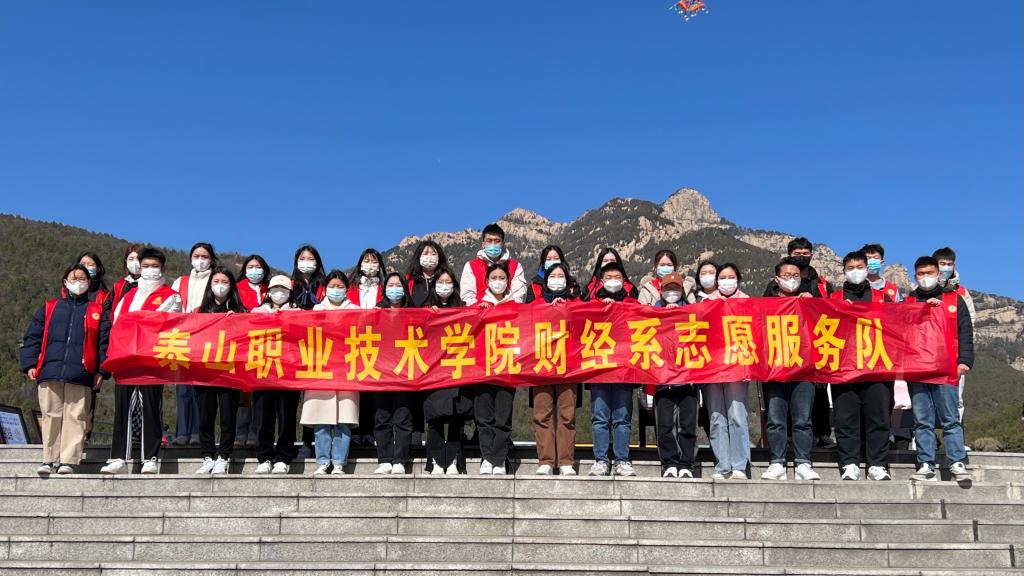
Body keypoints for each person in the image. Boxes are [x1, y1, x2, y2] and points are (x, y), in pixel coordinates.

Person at [20, 264, 110, 475]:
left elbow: (104, 343)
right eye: (73, 278)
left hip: (82, 372)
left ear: (89, 283)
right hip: (50, 370)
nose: (78, 282)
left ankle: (68, 461)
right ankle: (49, 459)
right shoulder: (50, 307)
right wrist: (30, 364)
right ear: (65, 282)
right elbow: (32, 336)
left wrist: (102, 371)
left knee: (75, 417)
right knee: (51, 415)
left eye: (82, 279)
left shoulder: (97, 311)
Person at [100, 247, 182, 475]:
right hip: (125, 359)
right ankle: (119, 457)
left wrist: (139, 325)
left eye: (154, 266)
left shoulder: (171, 296)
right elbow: (117, 323)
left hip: (151, 360)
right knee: (123, 409)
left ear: (162, 269)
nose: (149, 270)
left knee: (150, 408)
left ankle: (150, 458)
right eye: (145, 266)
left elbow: (167, 323)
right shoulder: (128, 296)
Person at [906, 256, 974, 482]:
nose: (925, 277)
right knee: (922, 419)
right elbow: (899, 331)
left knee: (950, 418)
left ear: (938, 274)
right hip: (917, 369)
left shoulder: (954, 299)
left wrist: (965, 361)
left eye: (929, 273)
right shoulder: (909, 301)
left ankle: (957, 461)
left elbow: (965, 331)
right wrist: (920, 309)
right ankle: (926, 463)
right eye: (921, 274)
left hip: (946, 367)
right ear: (915, 276)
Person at [830, 252, 895, 481]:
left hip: (877, 365)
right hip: (844, 367)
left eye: (859, 266)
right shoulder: (834, 298)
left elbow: (897, 328)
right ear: (844, 271)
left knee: (878, 417)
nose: (855, 271)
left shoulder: (883, 298)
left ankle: (877, 463)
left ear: (867, 269)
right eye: (850, 268)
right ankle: (850, 462)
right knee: (845, 418)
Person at [764, 237, 834, 450]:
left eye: (806, 253)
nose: (802, 257)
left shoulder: (820, 284)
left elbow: (831, 314)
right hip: (780, 354)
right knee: (779, 406)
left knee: (816, 398)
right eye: (797, 253)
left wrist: (813, 302)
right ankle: (783, 444)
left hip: (811, 353)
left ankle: (821, 435)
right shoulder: (772, 288)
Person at [760, 257, 821, 481]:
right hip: (775, 369)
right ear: (777, 279)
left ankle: (803, 462)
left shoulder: (809, 301)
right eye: (787, 275)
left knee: (803, 419)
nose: (792, 279)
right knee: (775, 419)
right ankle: (777, 462)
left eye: (796, 275)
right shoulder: (765, 305)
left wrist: (814, 304)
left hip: (804, 369)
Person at [524, 260, 583, 475]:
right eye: (552, 277)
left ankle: (566, 461)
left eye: (561, 277)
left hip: (569, 367)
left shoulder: (576, 304)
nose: (557, 280)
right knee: (542, 414)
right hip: (542, 365)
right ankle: (546, 460)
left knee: (567, 414)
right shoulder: (536, 305)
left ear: (567, 282)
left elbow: (584, 329)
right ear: (546, 282)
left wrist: (566, 309)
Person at [299, 270, 359, 475]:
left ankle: (339, 462)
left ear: (347, 289)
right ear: (325, 289)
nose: (336, 290)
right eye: (332, 286)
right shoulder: (316, 310)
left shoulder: (356, 311)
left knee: (344, 421)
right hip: (321, 370)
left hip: (347, 370)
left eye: (340, 286)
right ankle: (323, 461)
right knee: (321, 420)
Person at [587, 261, 639, 477]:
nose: (613, 281)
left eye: (617, 277)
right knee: (600, 417)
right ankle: (601, 460)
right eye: (608, 278)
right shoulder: (591, 304)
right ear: (601, 281)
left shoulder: (632, 303)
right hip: (599, 369)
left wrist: (619, 308)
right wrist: (601, 308)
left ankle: (622, 460)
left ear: (624, 281)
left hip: (624, 370)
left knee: (622, 417)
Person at [193, 267, 247, 475]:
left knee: (227, 417)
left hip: (229, 372)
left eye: (225, 282)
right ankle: (207, 456)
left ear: (231, 286)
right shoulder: (199, 312)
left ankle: (224, 456)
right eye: (216, 281)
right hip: (204, 372)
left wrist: (238, 320)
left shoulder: (240, 310)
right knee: (205, 416)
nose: (220, 286)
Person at [702, 263, 752, 480]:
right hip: (712, 369)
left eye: (731, 277)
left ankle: (740, 465)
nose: (726, 281)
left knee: (738, 415)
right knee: (716, 417)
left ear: (738, 279)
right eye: (722, 277)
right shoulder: (706, 303)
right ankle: (722, 465)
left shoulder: (747, 302)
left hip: (737, 367)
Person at [423, 266, 473, 475]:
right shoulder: (424, 308)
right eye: (440, 282)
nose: (444, 286)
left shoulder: (463, 308)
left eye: (448, 282)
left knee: (456, 417)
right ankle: (435, 461)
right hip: (433, 371)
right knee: (434, 418)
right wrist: (428, 316)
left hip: (457, 369)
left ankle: (453, 460)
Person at [650, 272, 700, 479]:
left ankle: (687, 463)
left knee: (688, 423)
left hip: (688, 377)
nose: (672, 292)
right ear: (661, 291)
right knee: (665, 424)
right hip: (662, 379)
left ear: (682, 291)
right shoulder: (651, 313)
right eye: (668, 289)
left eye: (676, 288)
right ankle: (669, 462)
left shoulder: (693, 312)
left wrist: (681, 314)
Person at [250, 275, 300, 474]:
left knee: (287, 417)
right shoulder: (256, 312)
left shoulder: (298, 314)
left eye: (284, 289)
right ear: (269, 292)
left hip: (289, 373)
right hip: (263, 371)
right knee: (264, 417)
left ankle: (283, 457)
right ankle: (264, 457)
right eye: (275, 289)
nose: (279, 293)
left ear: (290, 292)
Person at [170, 242, 219, 447]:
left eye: (204, 256)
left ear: (211, 259)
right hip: (182, 339)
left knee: (201, 389)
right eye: (196, 256)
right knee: (182, 389)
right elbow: (170, 308)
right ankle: (182, 432)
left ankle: (199, 432)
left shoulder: (216, 280)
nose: (200, 260)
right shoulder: (180, 282)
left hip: (206, 340)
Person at [474, 262, 521, 475]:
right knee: (484, 416)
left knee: (503, 416)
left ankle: (499, 458)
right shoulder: (477, 305)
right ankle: (486, 457)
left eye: (502, 278)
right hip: (482, 369)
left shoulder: (516, 306)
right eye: (494, 278)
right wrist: (479, 313)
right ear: (486, 282)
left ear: (508, 282)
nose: (498, 282)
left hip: (507, 368)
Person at [373, 273, 416, 474]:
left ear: (405, 289)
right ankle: (384, 459)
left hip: (405, 371)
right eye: (390, 285)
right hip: (381, 372)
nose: (394, 288)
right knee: (382, 417)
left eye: (398, 285)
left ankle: (400, 459)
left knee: (403, 417)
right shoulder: (376, 312)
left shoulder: (414, 313)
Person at [346, 248, 388, 446]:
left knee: (373, 388)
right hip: (354, 341)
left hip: (378, 343)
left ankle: (371, 431)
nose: (370, 264)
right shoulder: (351, 287)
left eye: (374, 261)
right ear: (360, 264)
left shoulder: (385, 287)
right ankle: (355, 430)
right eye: (366, 260)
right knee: (356, 389)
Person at [933, 247, 976, 423]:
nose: (946, 267)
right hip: (929, 353)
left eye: (949, 264)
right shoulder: (921, 289)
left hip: (954, 354)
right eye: (942, 264)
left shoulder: (962, 292)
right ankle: (922, 437)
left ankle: (955, 435)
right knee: (925, 400)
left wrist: (964, 358)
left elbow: (969, 326)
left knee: (956, 399)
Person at [460, 223, 528, 306]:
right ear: (483, 244)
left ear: (503, 244)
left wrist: (509, 309)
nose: (493, 244)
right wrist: (480, 307)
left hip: (509, 311)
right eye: (489, 241)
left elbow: (519, 295)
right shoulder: (471, 266)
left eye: (497, 241)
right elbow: (467, 296)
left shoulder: (515, 266)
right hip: (480, 311)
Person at [406, 240, 449, 307]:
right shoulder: (409, 280)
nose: (429, 257)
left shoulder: (447, 279)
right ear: (419, 257)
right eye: (425, 254)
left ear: (439, 257)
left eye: (433, 254)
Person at [292, 244, 327, 310]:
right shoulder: (290, 285)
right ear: (297, 262)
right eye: (302, 259)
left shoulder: (325, 287)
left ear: (317, 263)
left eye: (310, 259)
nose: (306, 262)